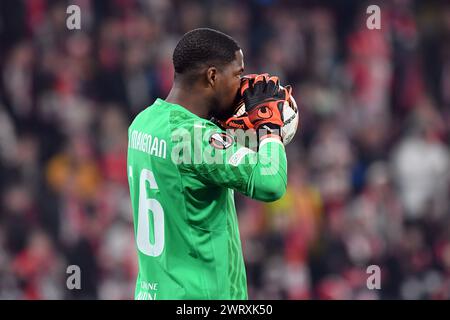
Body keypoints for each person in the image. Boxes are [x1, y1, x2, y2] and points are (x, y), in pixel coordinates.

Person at [127, 28, 291, 299]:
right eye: (238, 74)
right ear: (213, 76)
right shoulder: (192, 138)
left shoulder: (142, 123)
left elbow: (197, 163)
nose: (242, 84)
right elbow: (271, 182)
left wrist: (226, 128)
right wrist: (270, 128)